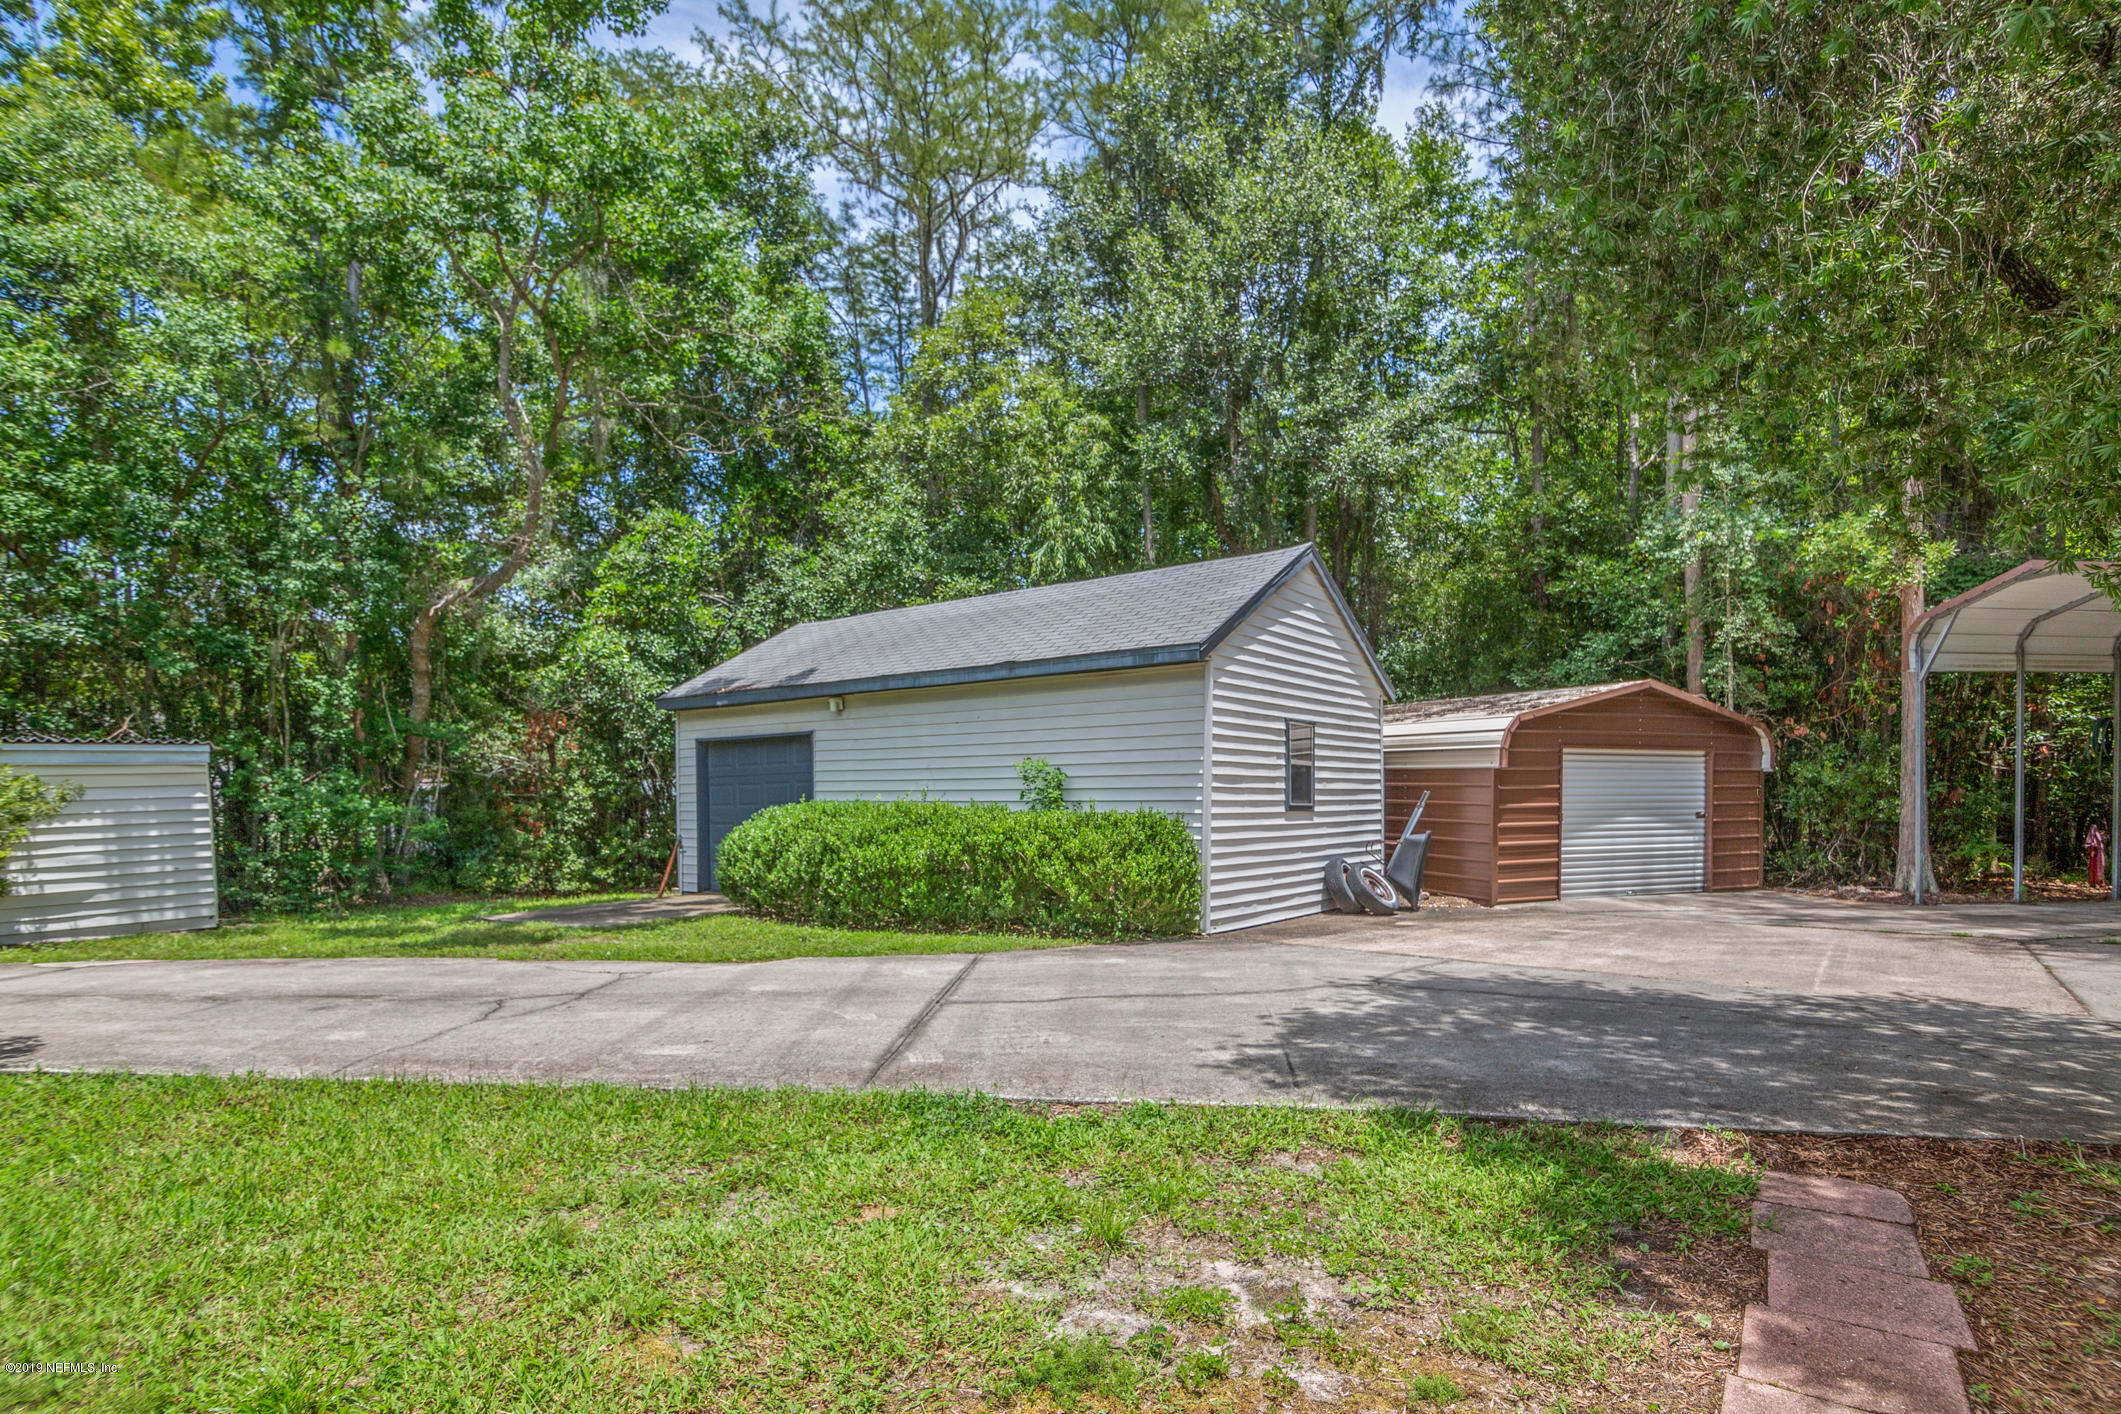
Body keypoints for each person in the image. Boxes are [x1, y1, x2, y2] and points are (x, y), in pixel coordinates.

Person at [2089, 822, 2108, 890]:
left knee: (2101, 866)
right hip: (2095, 854)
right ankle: (2094, 882)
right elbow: (2091, 845)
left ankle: (2100, 881)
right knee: (2094, 867)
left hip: (2100, 853)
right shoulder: (2092, 836)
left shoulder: (2098, 835)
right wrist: (2093, 851)